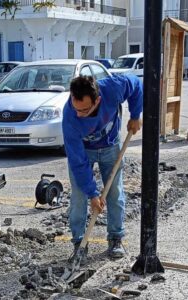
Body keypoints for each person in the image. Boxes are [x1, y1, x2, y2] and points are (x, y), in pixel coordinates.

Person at [62, 75, 142, 262]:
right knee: (79, 198)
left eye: (84, 110)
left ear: (97, 100)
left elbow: (137, 85)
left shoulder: (113, 88)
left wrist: (136, 115)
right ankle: (79, 244)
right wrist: (93, 194)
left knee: (114, 193)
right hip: (84, 151)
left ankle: (115, 238)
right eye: (76, 108)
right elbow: (77, 162)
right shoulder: (70, 117)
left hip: (110, 147)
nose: (79, 114)